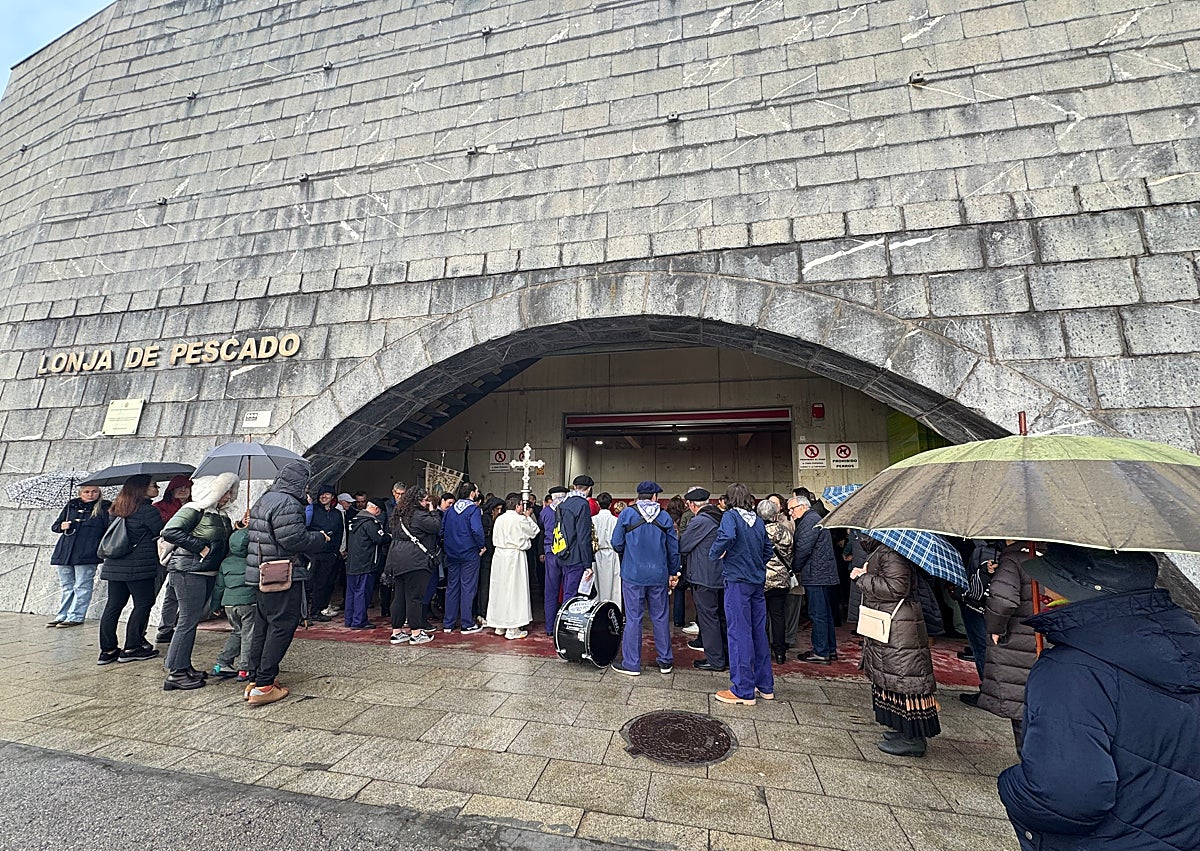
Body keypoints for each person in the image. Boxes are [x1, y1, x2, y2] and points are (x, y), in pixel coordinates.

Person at [998, 544, 1200, 851]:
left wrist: (1011, 784)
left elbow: (1065, 796)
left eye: (1057, 583)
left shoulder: (1069, 672)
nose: (1048, 591)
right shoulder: (1187, 646)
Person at [244, 460, 330, 706]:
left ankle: (256, 679)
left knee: (263, 625)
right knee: (281, 626)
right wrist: (319, 538)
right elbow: (293, 539)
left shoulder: (266, 498)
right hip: (281, 573)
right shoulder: (288, 503)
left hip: (260, 572)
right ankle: (264, 685)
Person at [852, 537, 940, 757]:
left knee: (903, 678)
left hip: (899, 626)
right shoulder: (885, 549)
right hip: (893, 622)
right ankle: (901, 728)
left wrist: (863, 577)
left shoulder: (892, 551)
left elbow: (897, 586)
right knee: (893, 677)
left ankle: (912, 738)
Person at [160, 472, 240, 690]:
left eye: (230, 492)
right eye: (224, 492)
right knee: (187, 620)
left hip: (205, 572)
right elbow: (170, 532)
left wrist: (240, 525)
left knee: (192, 620)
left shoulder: (220, 515)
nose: (228, 496)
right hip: (188, 570)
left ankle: (183, 665)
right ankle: (176, 673)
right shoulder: (193, 509)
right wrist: (201, 548)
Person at [709, 483, 774, 705]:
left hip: (737, 580)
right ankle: (765, 685)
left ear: (729, 500)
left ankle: (743, 689)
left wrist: (715, 553)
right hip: (757, 581)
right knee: (758, 632)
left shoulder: (730, 516)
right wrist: (756, 565)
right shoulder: (757, 521)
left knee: (738, 632)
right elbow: (768, 549)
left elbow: (726, 536)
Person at [610, 481, 679, 676]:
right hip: (658, 575)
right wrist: (673, 571)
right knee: (660, 617)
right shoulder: (664, 517)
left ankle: (632, 663)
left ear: (639, 496)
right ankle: (665, 661)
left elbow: (616, 542)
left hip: (633, 574)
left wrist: (629, 554)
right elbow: (673, 549)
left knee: (633, 618)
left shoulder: (627, 514)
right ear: (655, 497)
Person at [97, 475, 164, 666]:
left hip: (114, 565)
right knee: (143, 603)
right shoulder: (147, 510)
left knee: (113, 605)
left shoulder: (115, 509)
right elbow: (160, 532)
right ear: (141, 489)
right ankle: (131, 647)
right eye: (154, 485)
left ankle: (107, 650)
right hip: (139, 567)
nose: (157, 488)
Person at [977, 541, 1038, 748]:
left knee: (1020, 703)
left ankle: (1028, 764)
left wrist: (996, 628)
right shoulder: (1055, 557)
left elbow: (1003, 600)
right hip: (1045, 637)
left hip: (1018, 640)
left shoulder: (1013, 559)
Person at [47, 484, 109, 628]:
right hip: (65, 552)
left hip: (87, 552)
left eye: (94, 491)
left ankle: (75, 616)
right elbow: (55, 526)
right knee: (67, 586)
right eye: (86, 491)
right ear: (80, 493)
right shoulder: (72, 505)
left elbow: (108, 530)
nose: (90, 494)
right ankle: (62, 615)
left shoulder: (104, 507)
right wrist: (62, 526)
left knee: (82, 585)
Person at [679, 488, 727, 671]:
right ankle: (726, 655)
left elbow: (683, 545)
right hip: (720, 575)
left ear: (692, 504)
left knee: (708, 619)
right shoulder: (719, 516)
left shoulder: (700, 520)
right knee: (722, 617)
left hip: (704, 576)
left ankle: (715, 660)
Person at [788, 493, 840, 664]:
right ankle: (829, 649)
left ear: (803, 506)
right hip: (823, 573)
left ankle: (821, 651)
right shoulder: (814, 519)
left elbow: (803, 549)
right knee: (825, 614)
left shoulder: (809, 521)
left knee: (818, 614)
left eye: (792, 509)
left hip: (816, 574)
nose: (791, 513)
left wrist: (793, 568)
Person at [386, 486, 440, 645]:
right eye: (425, 500)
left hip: (396, 559)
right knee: (415, 597)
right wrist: (433, 511)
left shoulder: (399, 515)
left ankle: (396, 632)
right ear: (418, 500)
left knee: (399, 597)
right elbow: (436, 526)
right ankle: (416, 633)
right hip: (415, 560)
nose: (426, 503)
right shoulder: (420, 516)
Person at [485, 495, 540, 639]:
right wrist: (528, 517)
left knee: (500, 589)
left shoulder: (499, 519)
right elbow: (535, 531)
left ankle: (499, 624)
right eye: (522, 505)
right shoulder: (519, 519)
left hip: (499, 556)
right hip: (514, 556)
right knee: (515, 590)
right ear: (517, 506)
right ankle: (513, 627)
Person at [210, 528, 255, 681]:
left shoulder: (225, 562)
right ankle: (245, 669)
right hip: (248, 603)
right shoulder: (253, 561)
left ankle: (221, 663)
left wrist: (215, 606)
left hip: (229, 604)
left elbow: (219, 586)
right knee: (249, 635)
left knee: (238, 632)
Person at [441, 481, 485, 634]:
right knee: (468, 587)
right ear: (472, 494)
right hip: (469, 553)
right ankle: (466, 623)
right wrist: (481, 545)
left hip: (452, 553)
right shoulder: (473, 510)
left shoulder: (450, 510)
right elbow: (477, 530)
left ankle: (448, 623)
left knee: (452, 587)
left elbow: (442, 531)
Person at [758, 498, 795, 665]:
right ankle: (780, 652)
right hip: (781, 579)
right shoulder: (785, 531)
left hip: (762, 580)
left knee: (762, 616)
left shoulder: (758, 532)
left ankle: (763, 650)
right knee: (778, 616)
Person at [344, 497, 390, 630]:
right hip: (366, 563)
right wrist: (389, 536)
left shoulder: (355, 520)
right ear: (376, 509)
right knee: (362, 592)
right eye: (379, 511)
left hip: (352, 563)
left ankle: (350, 619)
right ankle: (359, 621)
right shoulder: (370, 523)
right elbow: (379, 539)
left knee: (351, 592)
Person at [554, 474, 595, 619]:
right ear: (589, 489)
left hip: (562, 553)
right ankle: (566, 625)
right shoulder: (583, 505)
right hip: (577, 556)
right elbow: (584, 537)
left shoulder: (562, 503)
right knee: (572, 595)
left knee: (567, 590)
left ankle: (563, 623)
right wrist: (588, 564)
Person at [306, 484, 344, 621]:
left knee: (324, 584)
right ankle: (303, 614)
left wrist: (336, 552)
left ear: (332, 497)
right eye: (322, 494)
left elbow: (340, 533)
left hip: (329, 554)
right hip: (312, 552)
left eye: (327, 494)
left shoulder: (337, 514)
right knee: (308, 584)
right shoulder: (313, 510)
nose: (324, 496)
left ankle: (317, 611)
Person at [539, 485, 569, 633]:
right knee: (568, 590)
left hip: (551, 553)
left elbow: (542, 528)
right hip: (567, 553)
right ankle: (564, 627)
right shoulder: (569, 509)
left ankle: (549, 627)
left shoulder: (545, 512)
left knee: (550, 591)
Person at [665, 495, 695, 634]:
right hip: (687, 556)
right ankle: (696, 620)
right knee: (692, 588)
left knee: (677, 589)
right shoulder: (686, 517)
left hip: (671, 555)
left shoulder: (664, 517)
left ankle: (677, 620)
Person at [477, 496, 505, 622]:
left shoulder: (496, 519)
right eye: (497, 509)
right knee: (485, 585)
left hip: (493, 555)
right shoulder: (485, 519)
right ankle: (482, 612)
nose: (499, 512)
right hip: (487, 557)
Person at [590, 492, 621, 607]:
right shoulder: (616, 520)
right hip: (612, 553)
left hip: (597, 553)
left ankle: (597, 610)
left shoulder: (592, 520)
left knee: (597, 584)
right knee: (614, 586)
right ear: (611, 504)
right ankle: (614, 611)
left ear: (597, 504)